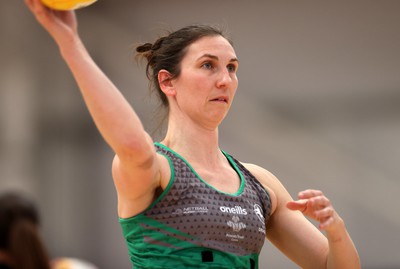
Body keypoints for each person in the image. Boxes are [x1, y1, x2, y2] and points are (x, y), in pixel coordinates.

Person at [25, 0, 361, 268]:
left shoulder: (262, 184)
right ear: (167, 81)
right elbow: (131, 144)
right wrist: (70, 44)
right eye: (208, 65)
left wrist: (336, 231)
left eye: (232, 67)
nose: (225, 79)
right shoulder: (156, 169)